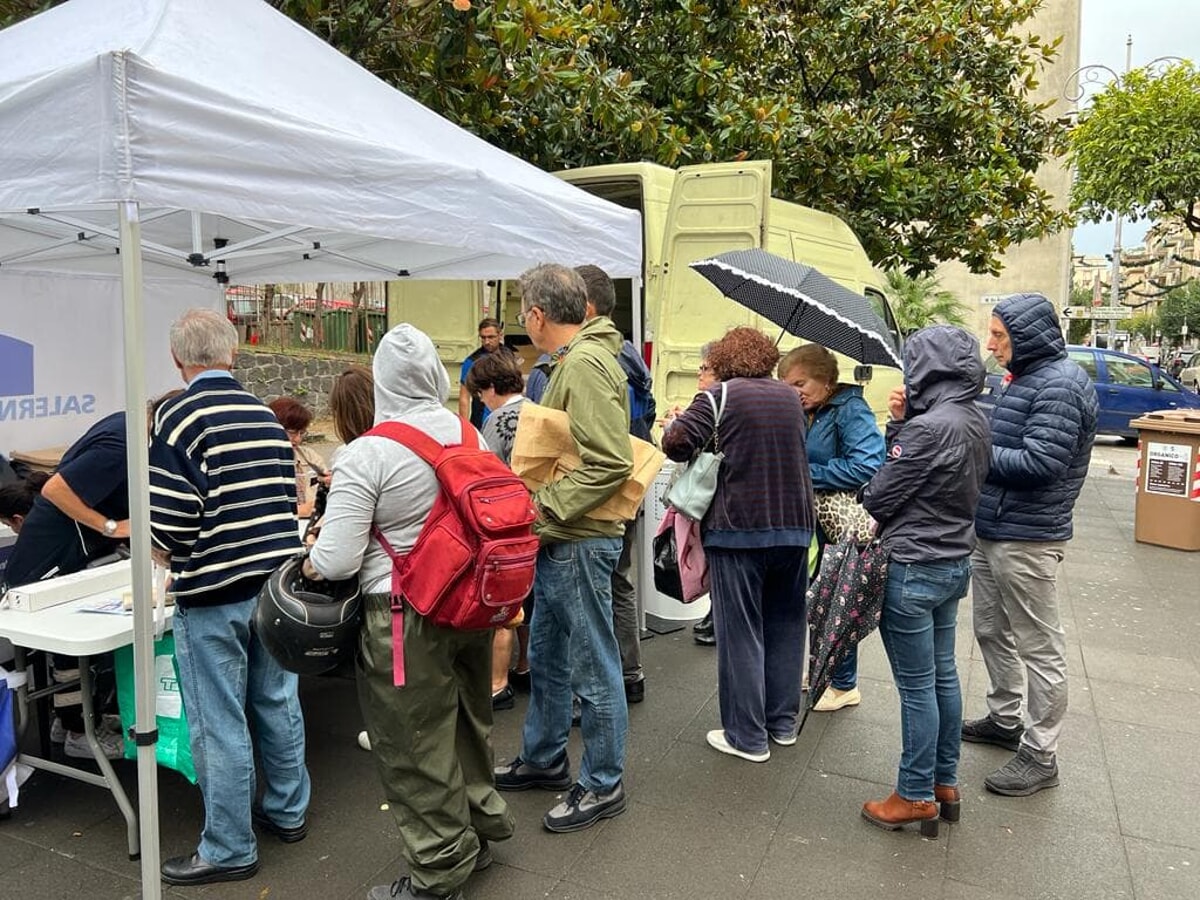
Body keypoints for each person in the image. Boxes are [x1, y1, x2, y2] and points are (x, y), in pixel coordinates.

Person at [306, 323, 514, 900]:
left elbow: (338, 558)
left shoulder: (367, 452)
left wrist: (310, 563)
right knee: (469, 723)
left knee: (412, 740)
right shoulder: (470, 434)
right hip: (470, 603)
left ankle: (438, 869)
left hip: (402, 614)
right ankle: (480, 829)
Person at [150, 308, 310, 887]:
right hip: (272, 588)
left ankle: (228, 845)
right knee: (276, 700)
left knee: (219, 721)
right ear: (233, 354)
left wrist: (163, 552)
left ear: (177, 359)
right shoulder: (264, 415)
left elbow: (170, 514)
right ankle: (288, 810)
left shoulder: (177, 415)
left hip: (213, 588)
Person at [493, 263, 634, 834]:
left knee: (591, 664)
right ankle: (546, 757)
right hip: (565, 537)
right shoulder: (577, 360)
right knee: (549, 655)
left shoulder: (586, 363)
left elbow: (611, 462)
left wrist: (542, 505)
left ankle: (604, 782)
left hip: (576, 535)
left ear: (536, 315)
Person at [857, 326, 991, 834]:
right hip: (954, 561)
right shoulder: (977, 418)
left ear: (925, 369)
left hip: (913, 566)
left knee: (916, 687)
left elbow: (878, 496)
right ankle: (944, 782)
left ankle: (913, 795)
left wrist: (898, 429)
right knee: (943, 674)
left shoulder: (927, 428)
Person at [964, 293, 1098, 797]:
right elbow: (999, 432)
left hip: (1028, 536)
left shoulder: (1061, 386)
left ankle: (1041, 754)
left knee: (1040, 646)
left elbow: (1040, 464)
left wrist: (972, 447)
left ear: (1028, 336)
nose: (991, 344)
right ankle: (1004, 719)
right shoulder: (1018, 378)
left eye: (999, 335)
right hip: (993, 527)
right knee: (991, 631)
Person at [662, 327, 813, 762]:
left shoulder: (718, 396)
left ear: (725, 360)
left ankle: (746, 736)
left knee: (741, 631)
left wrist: (678, 422)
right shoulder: (789, 397)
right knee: (786, 625)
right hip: (795, 528)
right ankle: (782, 724)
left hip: (739, 528)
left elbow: (676, 443)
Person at [2, 414, 132, 761]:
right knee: (71, 648)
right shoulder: (120, 442)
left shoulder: (124, 432)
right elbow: (57, 490)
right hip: (42, 578)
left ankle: (76, 721)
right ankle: (78, 731)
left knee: (83, 646)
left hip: (65, 566)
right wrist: (111, 527)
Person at [777, 344, 885, 712]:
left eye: (800, 383)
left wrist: (806, 475)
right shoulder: (812, 410)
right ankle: (821, 670)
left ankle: (843, 684)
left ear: (826, 379)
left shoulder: (850, 409)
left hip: (838, 526)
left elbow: (868, 464)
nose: (795, 391)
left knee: (838, 600)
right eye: (787, 385)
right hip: (811, 524)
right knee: (817, 599)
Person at [576, 263, 654, 702]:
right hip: (633, 482)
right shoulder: (629, 353)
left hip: (601, 491)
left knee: (592, 587)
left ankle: (599, 686)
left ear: (584, 307)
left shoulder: (590, 357)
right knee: (620, 581)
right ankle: (631, 673)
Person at [465, 351, 529, 711]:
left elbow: (488, 477)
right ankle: (526, 663)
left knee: (505, 608)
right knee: (530, 605)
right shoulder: (539, 411)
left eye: (480, 393)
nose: (480, 401)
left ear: (490, 388)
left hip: (506, 521)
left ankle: (496, 683)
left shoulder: (495, 421)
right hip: (538, 517)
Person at [322, 365, 380, 754]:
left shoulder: (354, 455)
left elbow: (337, 558)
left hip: (379, 585)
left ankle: (381, 729)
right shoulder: (404, 443)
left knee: (380, 665)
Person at [661, 342, 720, 646]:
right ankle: (714, 614)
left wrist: (674, 425)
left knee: (702, 551)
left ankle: (715, 616)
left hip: (708, 494)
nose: (700, 373)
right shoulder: (716, 400)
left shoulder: (713, 400)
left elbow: (683, 445)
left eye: (705, 368)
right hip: (710, 493)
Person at [268, 396, 325, 519]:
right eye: (292, 432)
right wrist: (299, 511)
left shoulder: (310, 457)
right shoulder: (262, 462)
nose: (297, 439)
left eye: (302, 433)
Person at [458, 317, 514, 430]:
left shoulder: (509, 356)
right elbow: (464, 398)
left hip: (507, 418)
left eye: (491, 337)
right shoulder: (472, 361)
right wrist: (465, 429)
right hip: (482, 422)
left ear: (500, 335)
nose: (487, 341)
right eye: (483, 338)